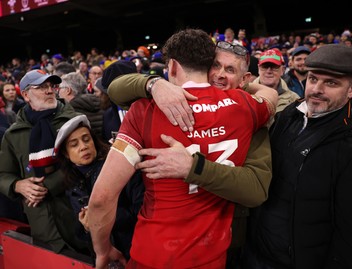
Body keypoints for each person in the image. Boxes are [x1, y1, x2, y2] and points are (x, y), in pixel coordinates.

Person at [88, 28, 275, 269]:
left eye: (230, 71)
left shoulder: (145, 110)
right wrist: (154, 84)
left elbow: (102, 198)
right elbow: (269, 95)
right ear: (208, 66)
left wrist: (102, 249)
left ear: (173, 67)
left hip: (153, 254)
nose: (221, 75)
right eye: (219, 67)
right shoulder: (246, 107)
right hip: (211, 257)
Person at [242, 44, 352, 268]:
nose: (317, 89)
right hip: (257, 255)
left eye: (331, 82)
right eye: (313, 79)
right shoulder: (289, 116)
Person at [0, 69, 86, 254]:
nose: (49, 91)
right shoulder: (13, 134)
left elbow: (88, 163)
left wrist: (46, 186)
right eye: (41, 87)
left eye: (51, 86)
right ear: (25, 95)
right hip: (42, 225)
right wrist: (18, 185)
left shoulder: (73, 121)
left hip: (79, 219)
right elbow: (3, 174)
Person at [53, 114, 140, 260]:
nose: (83, 146)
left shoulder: (119, 167)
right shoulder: (72, 185)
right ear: (66, 154)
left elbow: (140, 210)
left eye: (87, 139)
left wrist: (100, 219)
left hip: (134, 250)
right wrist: (87, 228)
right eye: (74, 145)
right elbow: (82, 231)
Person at [254, 49, 300, 114]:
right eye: (264, 67)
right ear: (258, 69)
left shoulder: (294, 99)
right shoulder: (245, 95)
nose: (268, 71)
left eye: (274, 67)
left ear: (282, 70)